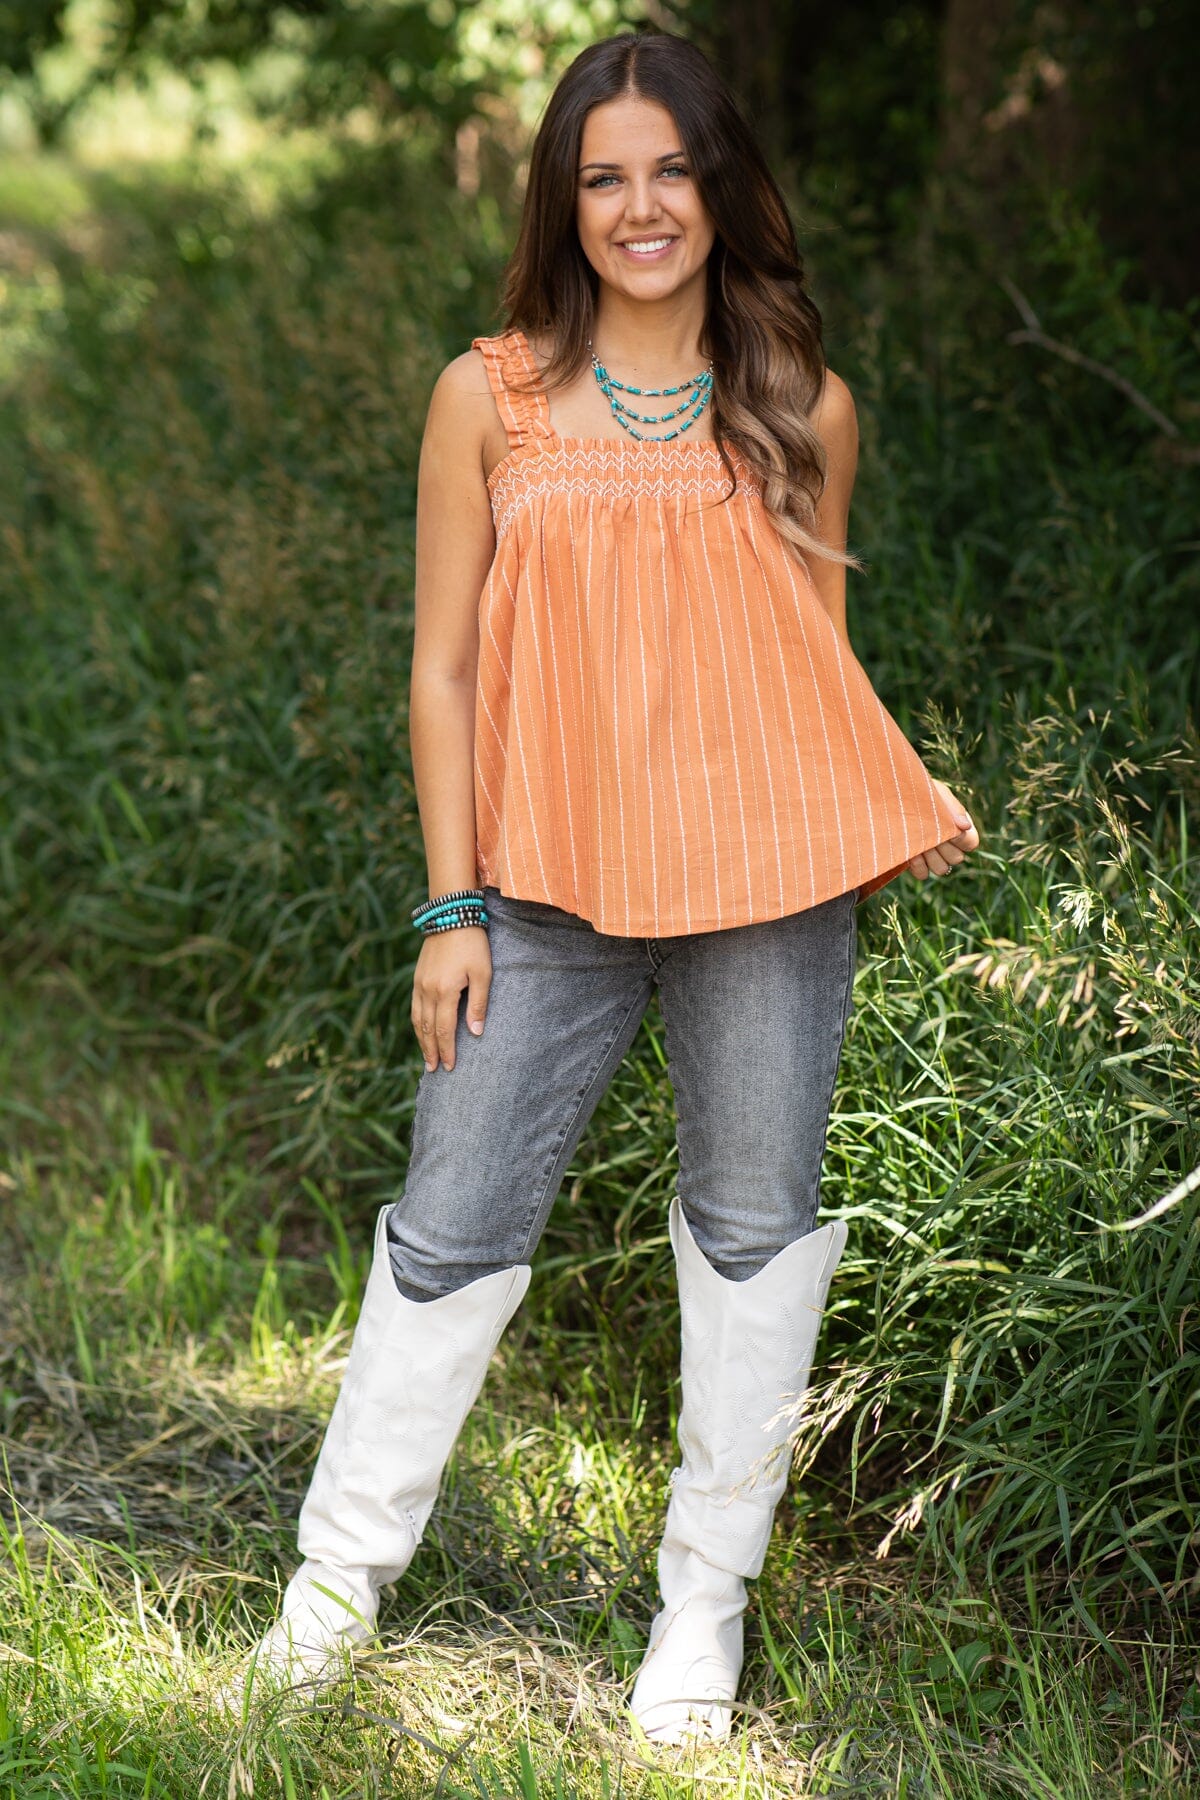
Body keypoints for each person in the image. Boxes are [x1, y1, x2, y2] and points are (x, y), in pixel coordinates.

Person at [247, 29, 980, 1745]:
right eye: (602, 176)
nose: (640, 207)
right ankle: (333, 1591)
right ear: (561, 204)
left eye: (670, 169)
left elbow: (811, 669)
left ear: (722, 187)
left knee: (753, 1238)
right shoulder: (487, 394)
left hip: (768, 889)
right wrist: (451, 907)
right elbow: (438, 669)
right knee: (450, 1225)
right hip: (544, 891)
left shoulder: (805, 412)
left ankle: (700, 1619)